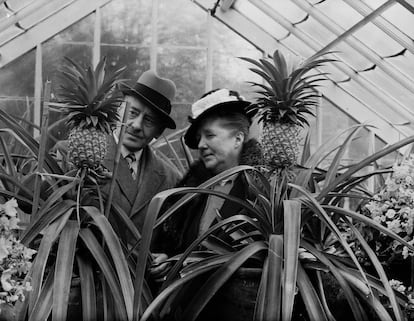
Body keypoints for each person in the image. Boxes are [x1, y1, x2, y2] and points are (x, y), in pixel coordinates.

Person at [155, 87, 263, 258]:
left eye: (209, 135)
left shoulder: (260, 192)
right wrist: (167, 258)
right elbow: (177, 246)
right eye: (199, 138)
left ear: (238, 138)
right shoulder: (191, 194)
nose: (201, 145)